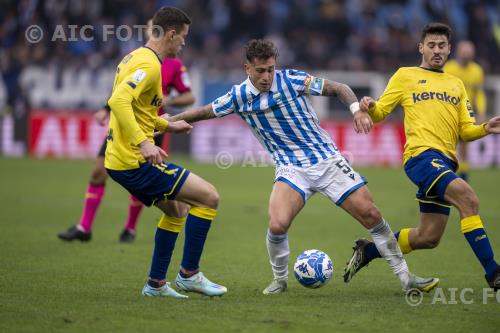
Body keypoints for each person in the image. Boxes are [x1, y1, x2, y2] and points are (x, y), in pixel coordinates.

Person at [167, 39, 439, 295]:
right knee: (277, 224)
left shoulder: (291, 80)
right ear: (247, 68)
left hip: (328, 161)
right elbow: (205, 111)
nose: (266, 76)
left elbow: (339, 88)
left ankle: (406, 278)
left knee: (371, 214)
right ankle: (280, 280)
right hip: (291, 169)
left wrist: (356, 110)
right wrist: (169, 121)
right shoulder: (238, 96)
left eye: (270, 69)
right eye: (260, 71)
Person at [344, 23, 500, 291]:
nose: (437, 50)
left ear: (449, 49)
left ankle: (367, 252)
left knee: (428, 237)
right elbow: (381, 113)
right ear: (421, 48)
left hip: (445, 161)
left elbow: (464, 131)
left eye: (442, 46)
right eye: (431, 45)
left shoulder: (456, 84)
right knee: (469, 198)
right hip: (421, 157)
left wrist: (485, 128)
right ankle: (495, 274)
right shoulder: (406, 76)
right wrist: (370, 107)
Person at [104, 6, 226, 298]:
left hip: (119, 159)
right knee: (209, 197)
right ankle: (190, 275)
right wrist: (145, 144)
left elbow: (138, 110)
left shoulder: (135, 57)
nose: (184, 43)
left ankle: (156, 284)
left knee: (177, 209)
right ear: (170, 34)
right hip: (133, 160)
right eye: (182, 37)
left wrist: (166, 126)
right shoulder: (150, 66)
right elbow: (118, 102)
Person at [58, 24, 195, 244]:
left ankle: (130, 228)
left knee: (140, 178)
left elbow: (188, 97)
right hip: (122, 124)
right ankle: (84, 227)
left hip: (151, 127)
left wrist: (168, 101)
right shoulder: (140, 59)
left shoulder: (174, 65)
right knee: (97, 171)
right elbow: (121, 93)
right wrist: (105, 109)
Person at [443, 41, 487, 181]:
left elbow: (479, 94)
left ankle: (463, 178)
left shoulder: (477, 71)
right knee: (447, 147)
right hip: (449, 112)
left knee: (464, 148)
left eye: (469, 53)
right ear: (458, 53)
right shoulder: (449, 68)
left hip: (466, 113)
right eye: (464, 53)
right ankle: (446, 175)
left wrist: (481, 112)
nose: (467, 56)